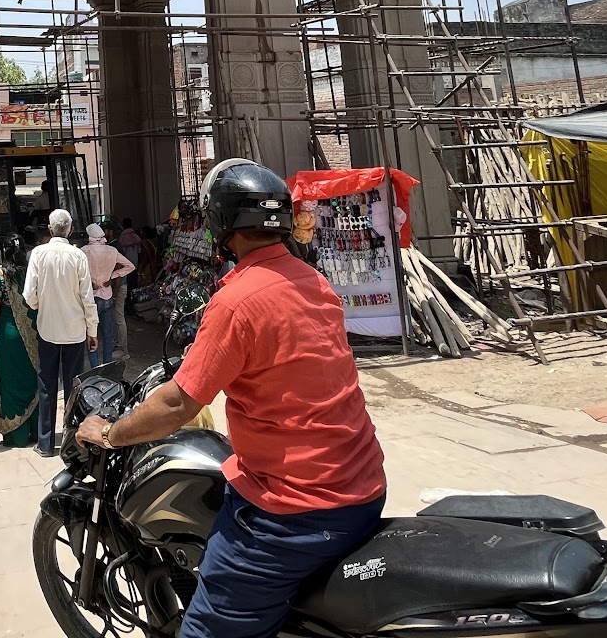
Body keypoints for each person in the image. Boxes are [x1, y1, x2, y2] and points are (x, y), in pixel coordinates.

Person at [74, 160, 387, 638]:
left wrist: (112, 433)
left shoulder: (237, 301)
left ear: (220, 224)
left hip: (294, 511)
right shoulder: (314, 281)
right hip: (363, 485)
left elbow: (179, 404)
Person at [23, 208, 97, 457]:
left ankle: (45, 443)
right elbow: (88, 297)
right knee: (74, 389)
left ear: (50, 229)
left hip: (48, 329)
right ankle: (71, 442)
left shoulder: (38, 254)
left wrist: (39, 306)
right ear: (71, 230)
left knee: (46, 386)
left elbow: (29, 294)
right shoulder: (78, 256)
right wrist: (93, 329)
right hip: (75, 331)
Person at [0, 236, 41, 446]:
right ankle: (36, 432)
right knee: (32, 379)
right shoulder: (31, 273)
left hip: (8, 333)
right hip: (33, 332)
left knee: (10, 383)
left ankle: (16, 436)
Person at [83, 223, 133, 367]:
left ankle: (94, 367)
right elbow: (130, 266)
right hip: (107, 296)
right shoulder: (112, 250)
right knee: (108, 335)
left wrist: (88, 282)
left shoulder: (84, 251)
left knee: (92, 334)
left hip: (91, 297)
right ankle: (107, 367)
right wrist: (112, 276)